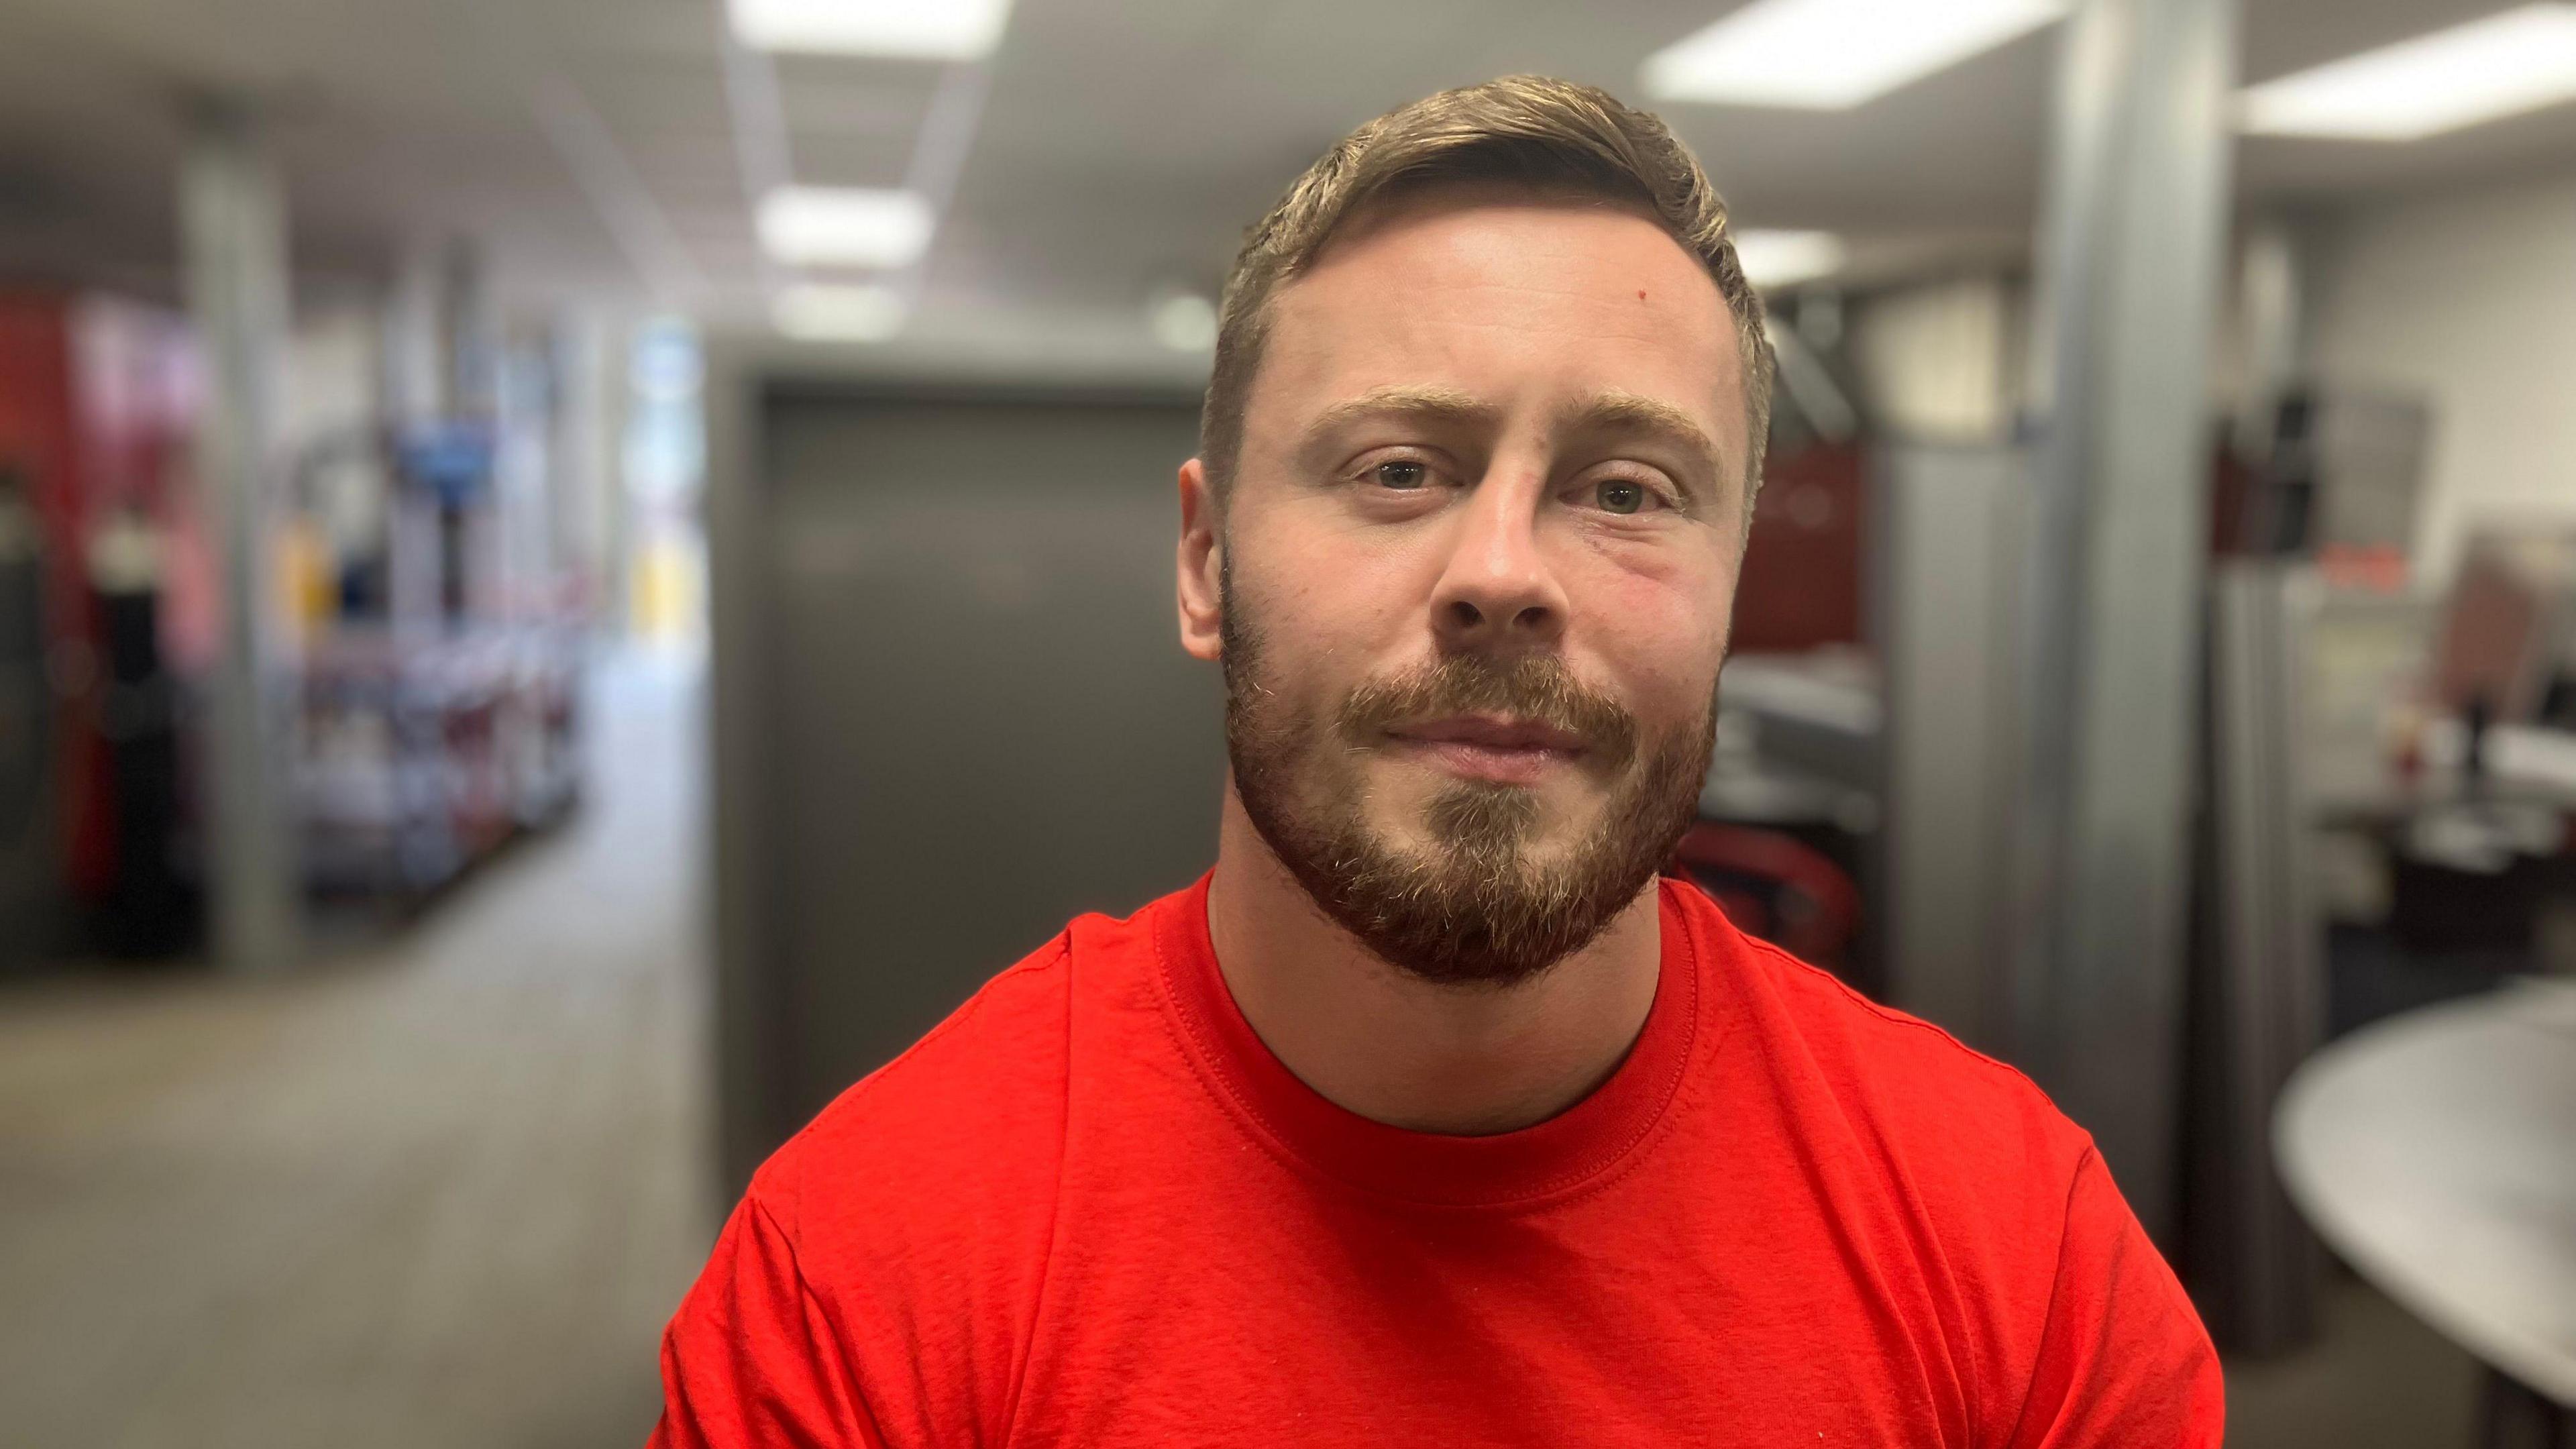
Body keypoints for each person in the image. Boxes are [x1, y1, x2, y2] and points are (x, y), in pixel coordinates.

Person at [649, 75, 2222, 1447]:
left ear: (1736, 584)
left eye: (1625, 489)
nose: (1505, 571)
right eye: (1399, 468)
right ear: (1205, 564)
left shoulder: (2023, 1258)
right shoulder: (861, 1282)